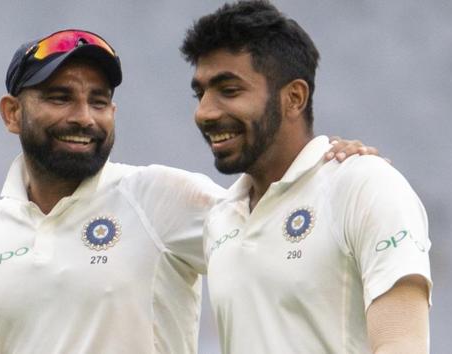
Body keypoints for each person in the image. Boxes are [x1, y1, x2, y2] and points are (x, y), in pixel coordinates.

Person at [0, 29, 376, 354]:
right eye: (59, 98)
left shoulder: (159, 195)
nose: (83, 117)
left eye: (100, 100)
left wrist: (327, 168)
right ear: (12, 114)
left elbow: (284, 224)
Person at [180, 1, 432, 353]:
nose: (204, 112)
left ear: (294, 98)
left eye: (229, 90)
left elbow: (402, 345)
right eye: (200, 92)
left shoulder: (365, 185)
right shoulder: (221, 218)